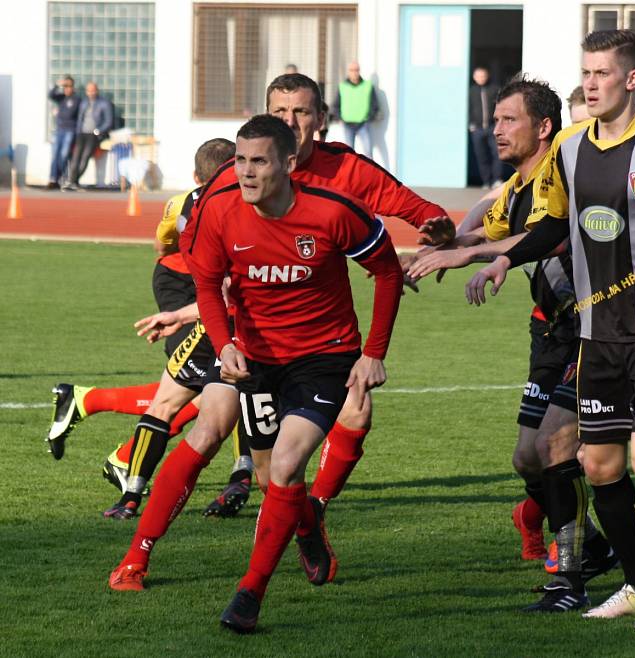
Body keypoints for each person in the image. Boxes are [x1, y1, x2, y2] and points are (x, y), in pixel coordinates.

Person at [107, 73, 453, 593]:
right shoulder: (233, 179)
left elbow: (417, 211)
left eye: (301, 112)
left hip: (321, 340)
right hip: (243, 333)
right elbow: (209, 272)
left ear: (321, 120)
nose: (291, 121)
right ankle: (135, 559)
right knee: (209, 431)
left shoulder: (346, 172)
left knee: (348, 413)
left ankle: (310, 516)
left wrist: (439, 232)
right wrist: (207, 326)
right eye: (281, 111)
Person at [465, 30, 635, 631]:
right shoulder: (571, 148)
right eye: (585, 73)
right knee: (601, 466)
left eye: (601, 73)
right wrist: (506, 256)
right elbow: (556, 221)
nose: (589, 84)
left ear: (632, 79)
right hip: (594, 335)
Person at [408, 75, 615, 612]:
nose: (495, 130)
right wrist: (442, 246)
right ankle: (594, 543)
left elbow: (553, 231)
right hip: (550, 329)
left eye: (508, 120)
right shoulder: (519, 185)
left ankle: (569, 580)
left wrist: (475, 255)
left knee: (555, 447)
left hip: (593, 328)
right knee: (528, 458)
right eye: (495, 120)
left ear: (544, 127)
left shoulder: (564, 171)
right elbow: (490, 229)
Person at [47, 138, 253, 520]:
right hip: (189, 293)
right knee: (200, 392)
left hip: (217, 307)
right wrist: (186, 307)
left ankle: (116, 447)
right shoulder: (193, 206)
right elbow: (166, 247)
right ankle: (233, 474)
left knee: (214, 394)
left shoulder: (225, 206)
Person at [62, 82, 113, 190]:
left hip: (93, 135)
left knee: (85, 157)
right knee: (76, 157)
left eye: (93, 90)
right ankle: (72, 181)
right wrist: (77, 132)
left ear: (97, 91)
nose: (91, 93)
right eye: (89, 90)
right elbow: (80, 118)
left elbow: (108, 121)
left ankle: (73, 180)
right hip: (82, 133)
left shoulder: (104, 103)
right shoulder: (84, 103)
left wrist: (98, 131)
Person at [330, 61, 378, 157]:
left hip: (363, 125)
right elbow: (336, 105)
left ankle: (370, 172)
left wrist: (369, 117)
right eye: (352, 70)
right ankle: (352, 172)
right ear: (348, 72)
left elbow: (374, 105)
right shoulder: (342, 86)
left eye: (356, 70)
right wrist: (340, 118)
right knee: (349, 154)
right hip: (348, 125)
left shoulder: (368, 86)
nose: (354, 73)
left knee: (368, 153)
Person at [469, 66, 504, 189]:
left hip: (492, 127)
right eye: (478, 76)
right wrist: (471, 124)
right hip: (477, 129)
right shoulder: (471, 91)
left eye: (483, 76)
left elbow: (501, 106)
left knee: (497, 153)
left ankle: (497, 179)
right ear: (474, 77)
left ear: (487, 76)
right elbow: (467, 108)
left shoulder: (494, 89)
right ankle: (486, 181)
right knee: (481, 156)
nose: (481, 78)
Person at [47, 76, 80, 188]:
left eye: (69, 86)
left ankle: (61, 177)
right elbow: (50, 95)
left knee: (64, 155)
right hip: (59, 130)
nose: (67, 88)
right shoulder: (61, 98)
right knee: (55, 155)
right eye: (65, 86)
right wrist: (57, 85)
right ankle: (53, 179)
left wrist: (58, 113)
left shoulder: (76, 99)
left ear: (73, 87)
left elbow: (75, 115)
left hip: (70, 130)